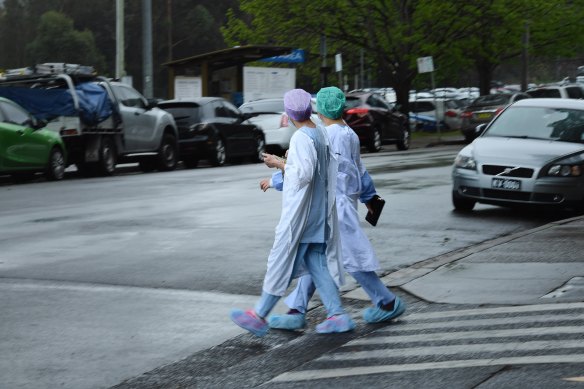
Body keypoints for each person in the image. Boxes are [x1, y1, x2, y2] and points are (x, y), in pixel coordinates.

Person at [264, 86, 406, 331]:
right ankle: (296, 309)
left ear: (320, 109)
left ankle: (386, 301)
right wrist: (370, 197)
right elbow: (359, 171)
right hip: (338, 205)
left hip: (333, 207)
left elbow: (309, 171)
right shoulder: (348, 133)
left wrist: (277, 176)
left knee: (349, 258)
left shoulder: (325, 135)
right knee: (315, 257)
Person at [230, 88, 355, 337]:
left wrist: (278, 163)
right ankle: (338, 315)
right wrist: (286, 163)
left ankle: (259, 315)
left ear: (289, 113)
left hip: (304, 217)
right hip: (319, 212)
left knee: (282, 264)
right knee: (317, 264)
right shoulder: (319, 130)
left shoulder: (302, 138)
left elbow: (303, 174)